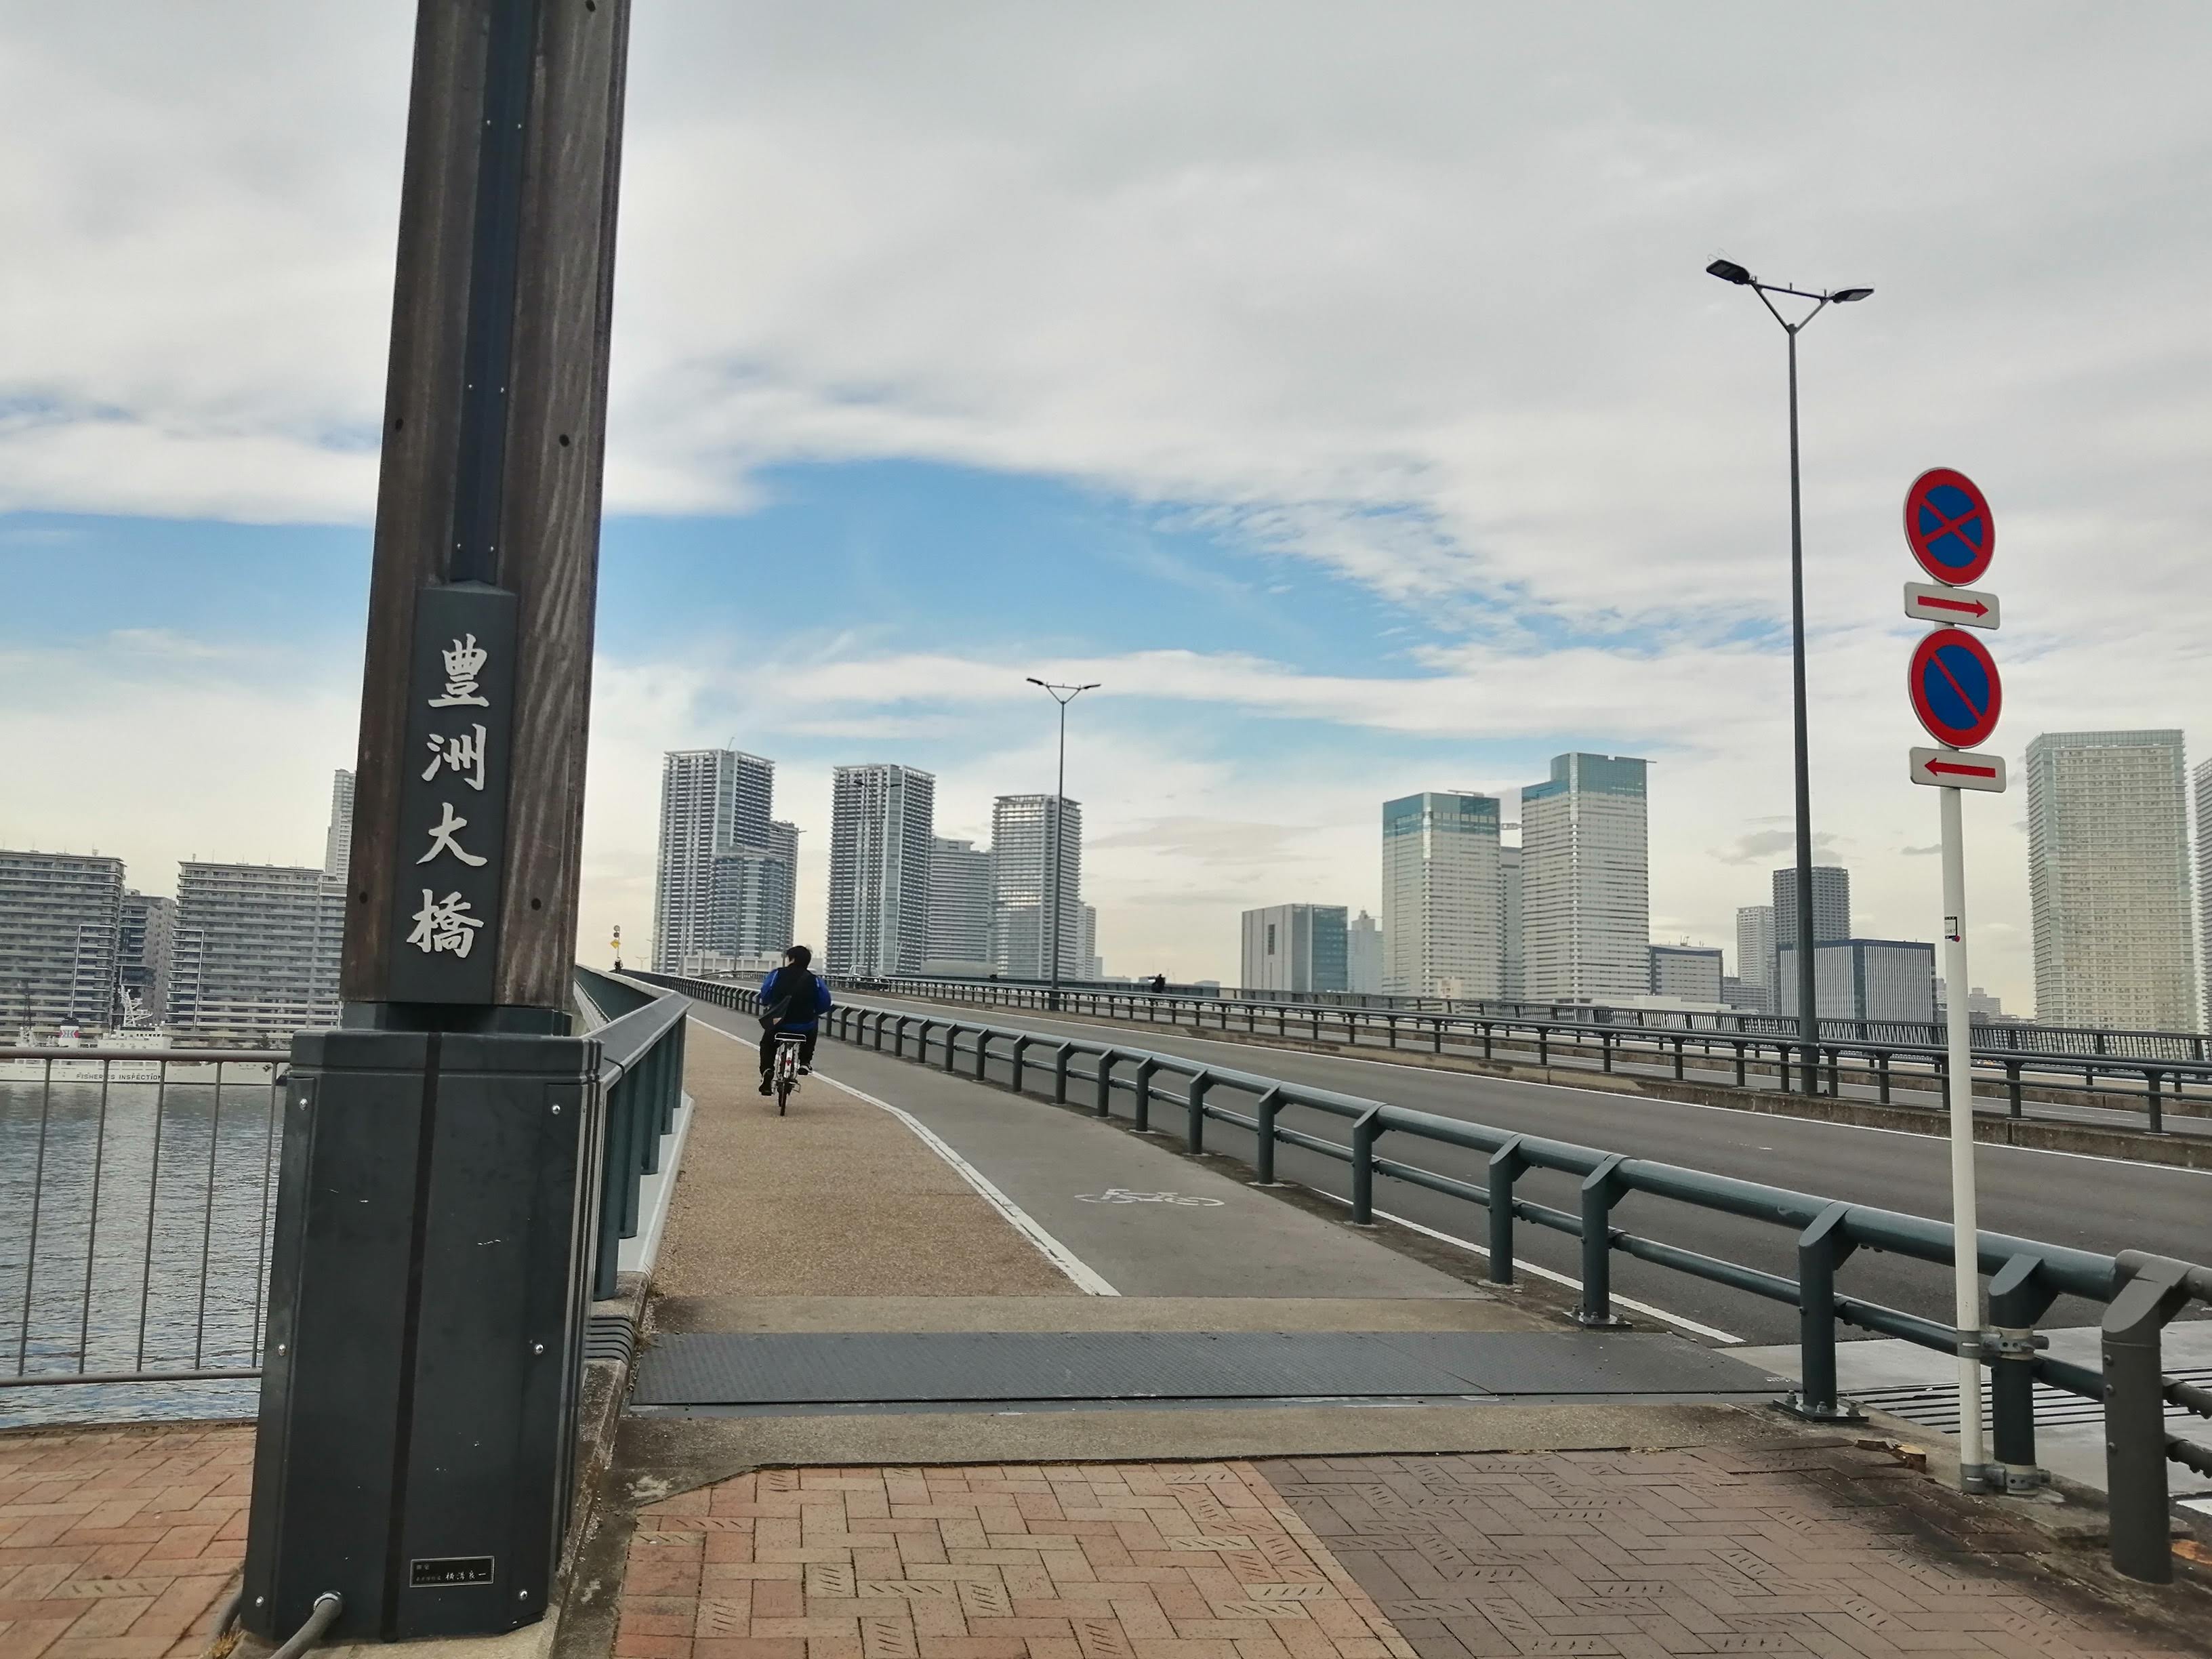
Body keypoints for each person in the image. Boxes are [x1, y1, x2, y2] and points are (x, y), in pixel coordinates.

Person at [758, 945, 832, 1094]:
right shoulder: (814, 980)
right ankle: (805, 1062)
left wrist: (771, 1004)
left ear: (791, 959)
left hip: (779, 1023)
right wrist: (812, 1012)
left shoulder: (777, 974)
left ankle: (767, 1070)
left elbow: (765, 995)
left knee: (767, 1044)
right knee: (813, 1024)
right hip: (804, 1025)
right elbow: (825, 1003)